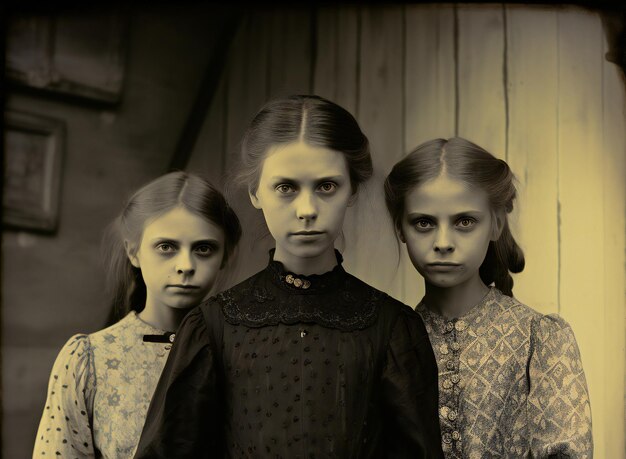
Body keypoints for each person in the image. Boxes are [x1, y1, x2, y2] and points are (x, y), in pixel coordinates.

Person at [134, 95, 444, 458]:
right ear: (254, 192)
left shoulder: (393, 328)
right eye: (286, 188)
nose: (307, 210)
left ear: (352, 190)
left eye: (326, 186)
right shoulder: (212, 327)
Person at [384, 137, 593, 458]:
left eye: (464, 221)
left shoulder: (541, 340)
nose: (443, 242)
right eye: (423, 222)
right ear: (401, 228)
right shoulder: (390, 344)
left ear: (496, 223)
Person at [33, 172, 241, 458]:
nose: (185, 265)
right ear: (134, 252)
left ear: (225, 255)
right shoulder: (89, 360)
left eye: (203, 248)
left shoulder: (242, 350)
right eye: (166, 247)